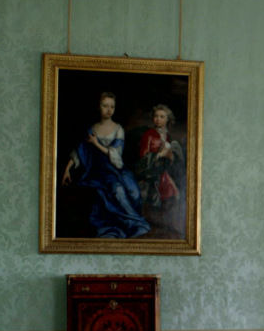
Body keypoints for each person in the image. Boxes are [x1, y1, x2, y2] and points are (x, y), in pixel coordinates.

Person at [61, 92, 150, 238]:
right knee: (118, 190)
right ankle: (135, 223)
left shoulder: (118, 129)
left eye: (112, 107)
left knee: (134, 192)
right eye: (105, 106)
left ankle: (132, 222)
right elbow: (80, 151)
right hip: (99, 171)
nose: (109, 110)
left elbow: (116, 156)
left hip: (116, 169)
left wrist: (96, 144)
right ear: (99, 107)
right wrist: (67, 169)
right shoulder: (92, 129)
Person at [136, 104, 183, 209]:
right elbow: (143, 158)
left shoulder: (167, 136)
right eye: (156, 116)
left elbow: (171, 159)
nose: (158, 119)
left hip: (164, 172)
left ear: (167, 119)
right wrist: (159, 154)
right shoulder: (149, 134)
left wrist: (170, 156)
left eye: (162, 117)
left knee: (174, 195)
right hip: (151, 174)